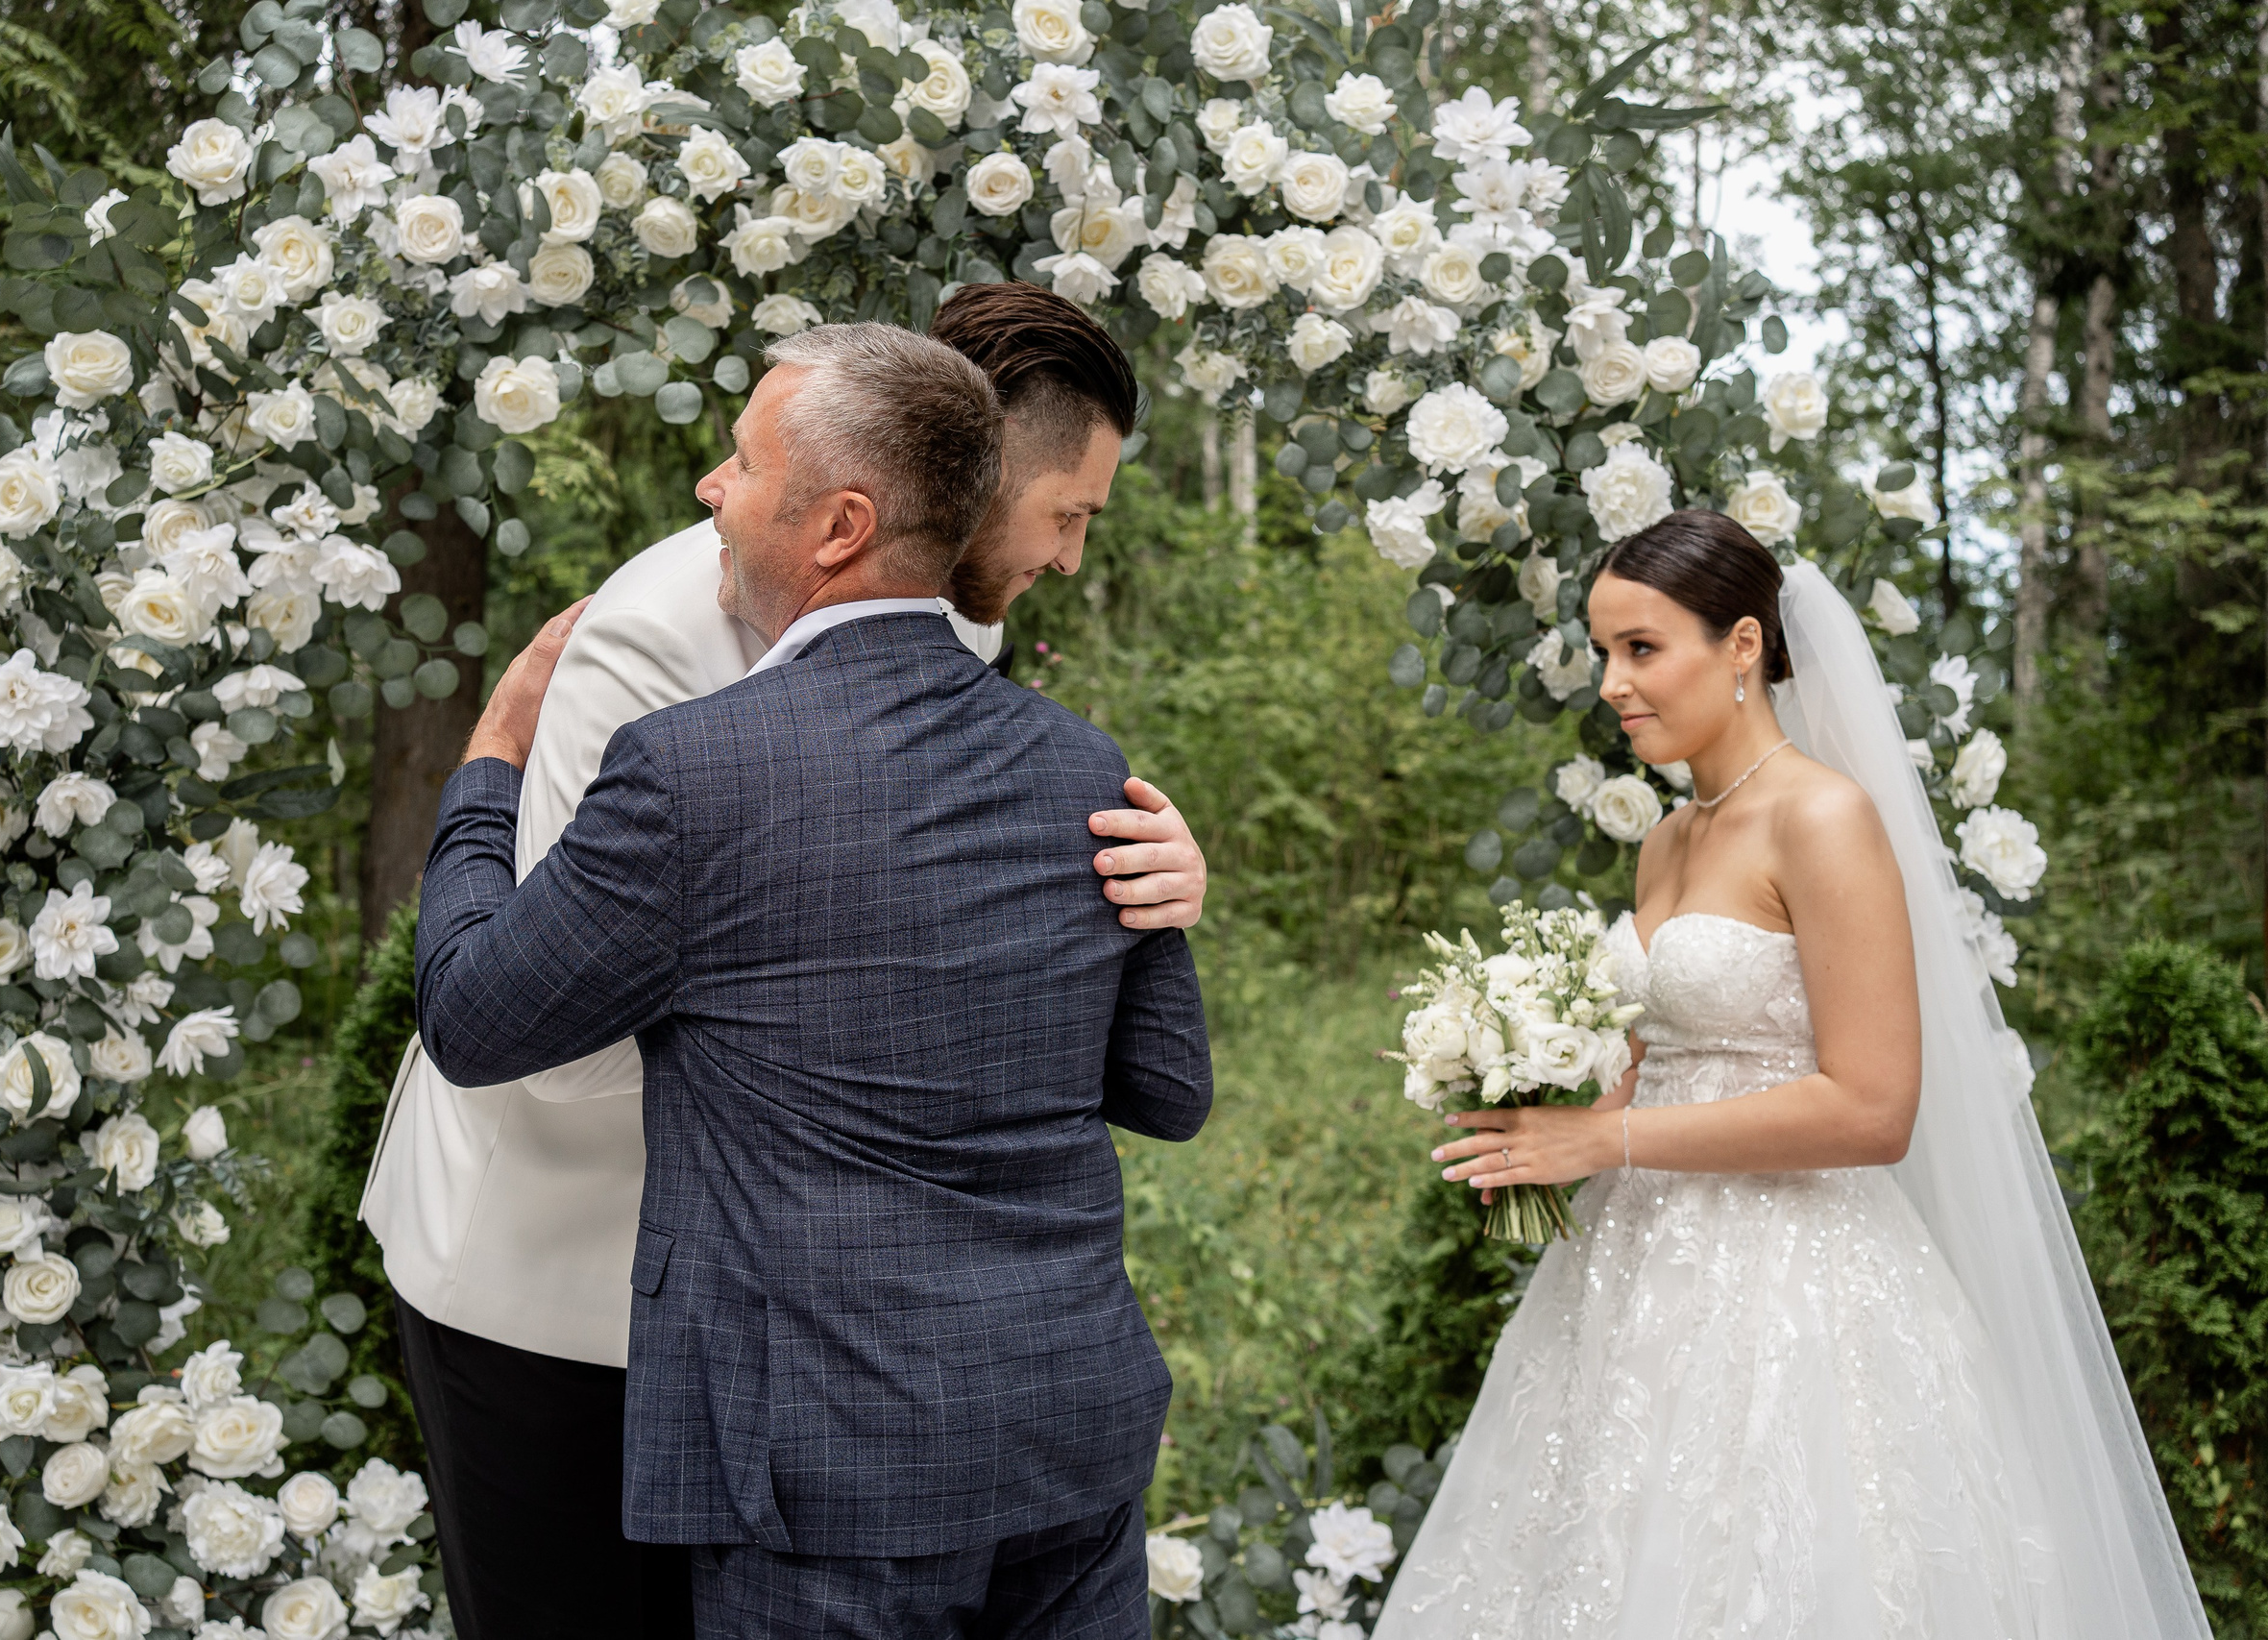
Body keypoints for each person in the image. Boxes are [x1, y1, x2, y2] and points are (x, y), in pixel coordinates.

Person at [359, 284, 1196, 1637]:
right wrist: (492, 761)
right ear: (948, 480)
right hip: (561, 1279)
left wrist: (1153, 888)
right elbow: (538, 1032)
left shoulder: (958, 632)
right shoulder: (659, 633)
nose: (1071, 554)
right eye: (1068, 513)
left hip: (821, 1355)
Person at [1376, 512, 2208, 1639]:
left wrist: (1607, 1141)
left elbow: (1873, 1109)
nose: (1612, 684)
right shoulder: (1666, 840)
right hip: (1630, 1270)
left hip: (1792, 1282)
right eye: (1605, 651)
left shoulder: (1822, 816)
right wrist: (1539, 1119)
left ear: (1741, 645)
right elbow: (1653, 1055)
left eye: (1640, 648)